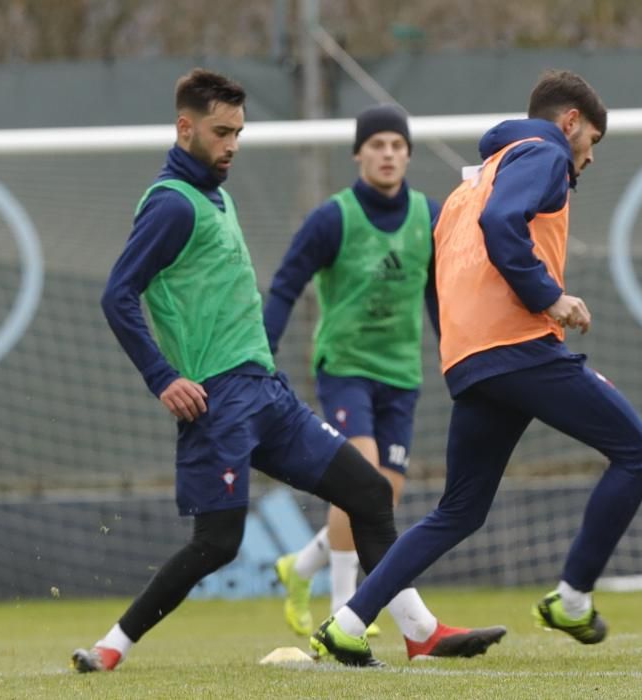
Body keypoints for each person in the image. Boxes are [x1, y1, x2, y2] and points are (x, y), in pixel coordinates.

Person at [71, 68, 505, 673]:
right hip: (217, 400)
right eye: (221, 132)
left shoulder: (215, 197)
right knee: (218, 543)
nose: (232, 145)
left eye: (238, 133)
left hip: (266, 394)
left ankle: (419, 632)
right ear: (184, 127)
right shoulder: (172, 205)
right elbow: (118, 294)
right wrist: (163, 377)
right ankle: (111, 647)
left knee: (370, 493)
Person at [309, 69, 642, 666]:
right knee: (638, 450)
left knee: (459, 510)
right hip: (519, 347)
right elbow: (503, 226)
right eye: (592, 141)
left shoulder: (470, 182)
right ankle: (572, 598)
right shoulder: (543, 152)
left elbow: (462, 257)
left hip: (471, 359)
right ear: (569, 122)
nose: (591, 157)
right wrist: (549, 296)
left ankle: (346, 622)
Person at [264, 104, 440, 641]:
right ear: (358, 153)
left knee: (381, 496)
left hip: (401, 375)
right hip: (345, 370)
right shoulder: (333, 218)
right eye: (377, 144)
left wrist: (456, 352)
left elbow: (439, 292)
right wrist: (262, 356)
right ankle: (344, 613)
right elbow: (285, 286)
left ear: (408, 154)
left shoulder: (429, 216)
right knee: (358, 481)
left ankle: (302, 566)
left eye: (396, 145)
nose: (387, 154)